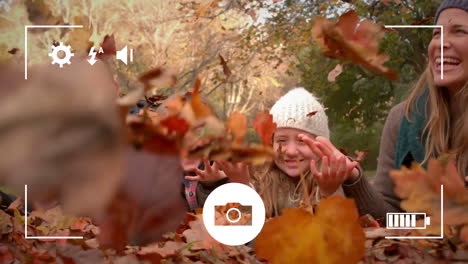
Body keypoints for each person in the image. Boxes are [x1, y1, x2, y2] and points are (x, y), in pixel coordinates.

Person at [332, 0, 468, 222]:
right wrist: (354, 178)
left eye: (459, 31)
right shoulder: (403, 119)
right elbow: (392, 217)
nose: (441, 43)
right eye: (436, 34)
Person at [194, 88, 360, 217]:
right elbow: (238, 233)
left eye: (302, 141)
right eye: (281, 141)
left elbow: (335, 234)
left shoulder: (330, 177)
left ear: (321, 144)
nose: (291, 151)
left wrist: (328, 192)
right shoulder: (259, 178)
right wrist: (240, 185)